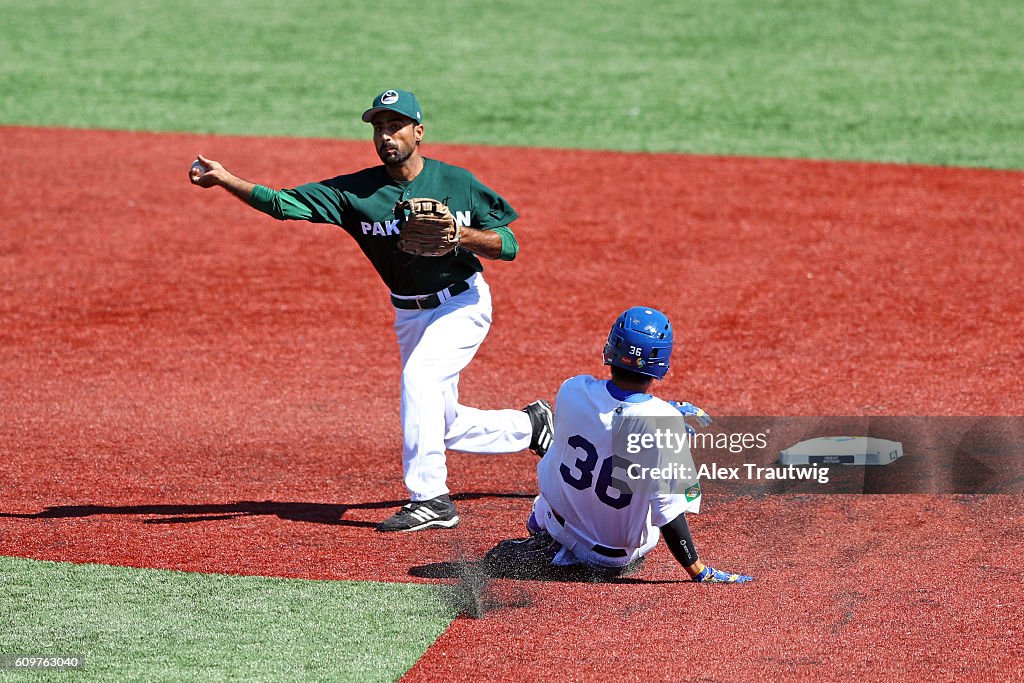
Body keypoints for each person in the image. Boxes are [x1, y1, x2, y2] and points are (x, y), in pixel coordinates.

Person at [189, 88, 554, 532]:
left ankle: (432, 499)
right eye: (379, 127)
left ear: (418, 132)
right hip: (408, 313)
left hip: (462, 302)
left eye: (395, 126)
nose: (386, 136)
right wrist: (226, 179)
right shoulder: (354, 192)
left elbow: (509, 245)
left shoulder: (456, 182)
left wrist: (461, 235)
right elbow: (283, 204)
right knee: (439, 420)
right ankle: (529, 427)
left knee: (419, 378)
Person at [485, 307, 753, 583]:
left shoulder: (572, 390)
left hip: (559, 526)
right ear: (661, 364)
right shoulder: (665, 423)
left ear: (611, 347)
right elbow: (669, 514)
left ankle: (546, 537)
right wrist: (699, 570)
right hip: (617, 556)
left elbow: (611, 414)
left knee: (562, 452)